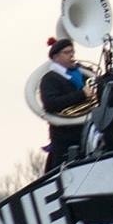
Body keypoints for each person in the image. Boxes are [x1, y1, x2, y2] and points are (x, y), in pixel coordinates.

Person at [39, 37, 88, 171]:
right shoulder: (50, 78)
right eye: (67, 53)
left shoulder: (83, 75)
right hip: (63, 135)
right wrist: (81, 95)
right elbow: (51, 104)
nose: (72, 55)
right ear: (55, 57)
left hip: (84, 131)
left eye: (72, 52)